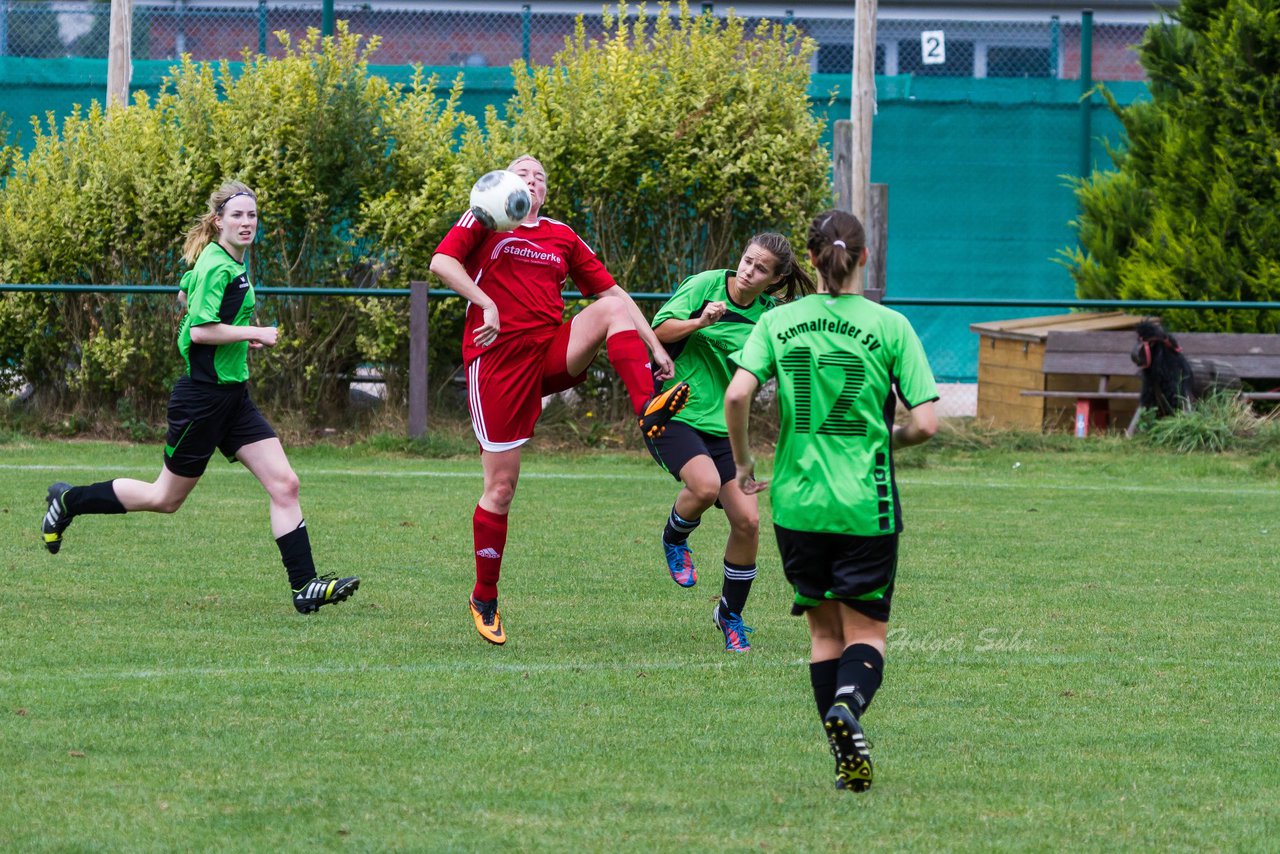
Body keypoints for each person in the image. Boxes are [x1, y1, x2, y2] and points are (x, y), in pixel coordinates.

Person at [40, 181, 360, 615]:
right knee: (164, 499)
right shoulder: (219, 265)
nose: (246, 223)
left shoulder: (226, 260)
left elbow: (184, 293)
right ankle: (69, 500)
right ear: (219, 221)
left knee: (285, 484)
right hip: (201, 400)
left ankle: (304, 587)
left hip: (234, 398)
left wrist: (233, 340)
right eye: (237, 216)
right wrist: (254, 333)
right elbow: (198, 330)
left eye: (252, 216)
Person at [429, 155, 687, 646]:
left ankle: (648, 407)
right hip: (497, 362)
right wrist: (485, 304)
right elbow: (441, 261)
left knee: (608, 306)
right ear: (504, 184)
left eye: (540, 177)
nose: (532, 179)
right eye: (523, 173)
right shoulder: (486, 215)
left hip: (548, 353)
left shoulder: (561, 236)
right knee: (501, 490)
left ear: (546, 193)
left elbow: (615, 292)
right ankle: (485, 595)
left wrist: (655, 347)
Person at [724, 209, 938, 791]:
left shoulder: (780, 320)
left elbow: (738, 395)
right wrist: (886, 437)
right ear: (863, 258)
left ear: (811, 261)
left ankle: (842, 754)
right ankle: (849, 707)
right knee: (866, 635)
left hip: (796, 504)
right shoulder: (890, 326)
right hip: (865, 504)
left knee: (823, 635)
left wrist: (743, 464)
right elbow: (925, 425)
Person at [646, 234, 814, 652]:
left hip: (724, 428)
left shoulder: (769, 318)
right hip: (673, 412)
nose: (748, 270)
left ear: (773, 281)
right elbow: (658, 331)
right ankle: (675, 538)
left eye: (760, 269)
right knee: (702, 487)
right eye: (746, 260)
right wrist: (702, 321)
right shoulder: (705, 285)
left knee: (749, 522)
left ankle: (730, 614)